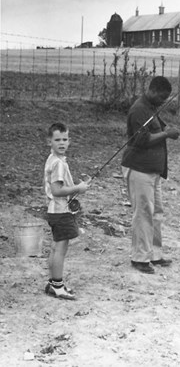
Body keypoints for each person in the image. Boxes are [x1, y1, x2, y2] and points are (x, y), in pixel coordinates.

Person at [121, 76, 180, 274]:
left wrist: (166, 130)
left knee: (156, 213)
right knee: (143, 214)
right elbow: (141, 140)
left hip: (152, 171)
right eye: (162, 97)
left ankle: (154, 254)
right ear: (153, 90)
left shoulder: (151, 108)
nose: (163, 101)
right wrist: (167, 134)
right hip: (139, 169)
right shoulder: (139, 109)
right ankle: (139, 258)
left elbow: (157, 129)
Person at [44, 122, 90, 300]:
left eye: (65, 139)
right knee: (60, 249)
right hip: (60, 211)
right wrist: (78, 188)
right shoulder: (59, 164)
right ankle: (58, 285)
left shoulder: (53, 160)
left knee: (55, 247)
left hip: (54, 210)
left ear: (69, 141)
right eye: (57, 140)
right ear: (50, 141)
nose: (61, 143)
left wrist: (77, 185)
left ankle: (52, 283)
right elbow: (57, 191)